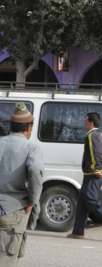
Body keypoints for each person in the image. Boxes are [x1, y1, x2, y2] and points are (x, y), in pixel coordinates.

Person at [67, 112, 102, 243]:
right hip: (94, 175)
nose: (84, 123)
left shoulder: (92, 136)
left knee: (92, 202)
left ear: (91, 123)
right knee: (82, 203)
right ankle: (78, 232)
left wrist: (96, 169)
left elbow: (96, 154)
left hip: (93, 175)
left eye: (86, 121)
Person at [0, 102, 44, 266]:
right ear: (29, 128)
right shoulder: (31, 148)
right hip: (12, 210)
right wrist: (33, 201)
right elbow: (35, 172)